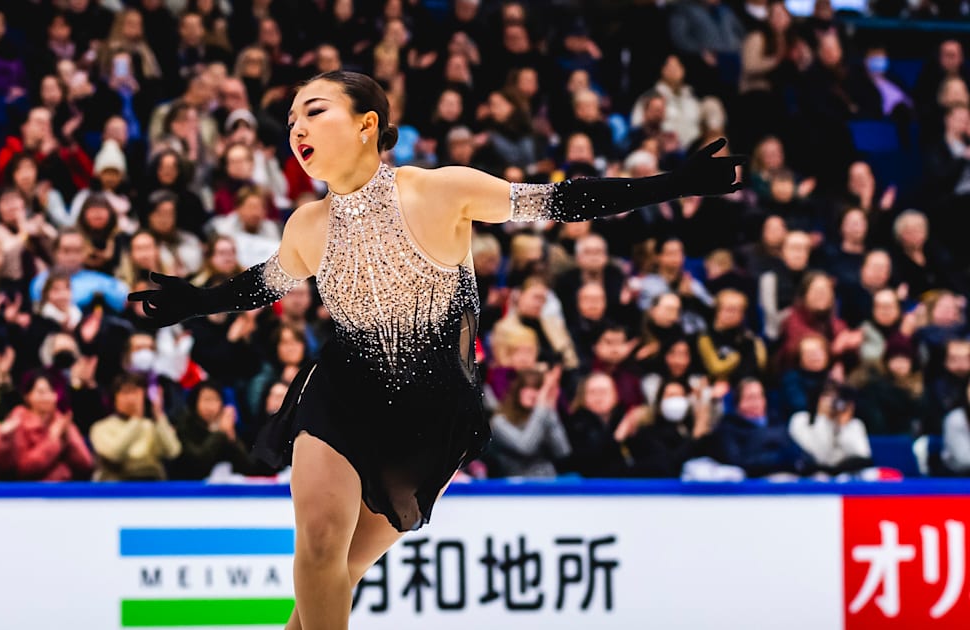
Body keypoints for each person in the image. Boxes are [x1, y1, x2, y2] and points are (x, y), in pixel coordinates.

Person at [128, 70, 742, 630]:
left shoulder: (440, 190)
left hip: (433, 414)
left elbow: (560, 201)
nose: (297, 129)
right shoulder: (307, 227)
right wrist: (193, 302)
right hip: (342, 389)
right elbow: (260, 284)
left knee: (334, 577)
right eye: (290, 121)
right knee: (317, 545)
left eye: (313, 112)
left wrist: (676, 184)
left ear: (368, 124)